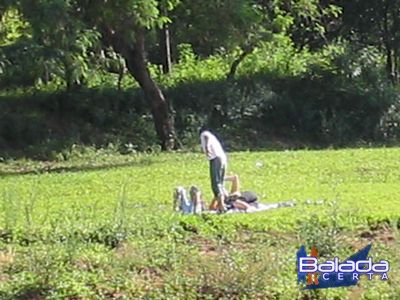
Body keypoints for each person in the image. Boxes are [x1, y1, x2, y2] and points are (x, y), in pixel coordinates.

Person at [199, 127, 227, 212]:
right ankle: (221, 204)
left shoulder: (204, 133)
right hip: (222, 159)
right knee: (220, 183)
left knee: (216, 184)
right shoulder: (213, 138)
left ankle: (222, 206)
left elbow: (206, 138)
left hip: (215, 159)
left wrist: (207, 148)